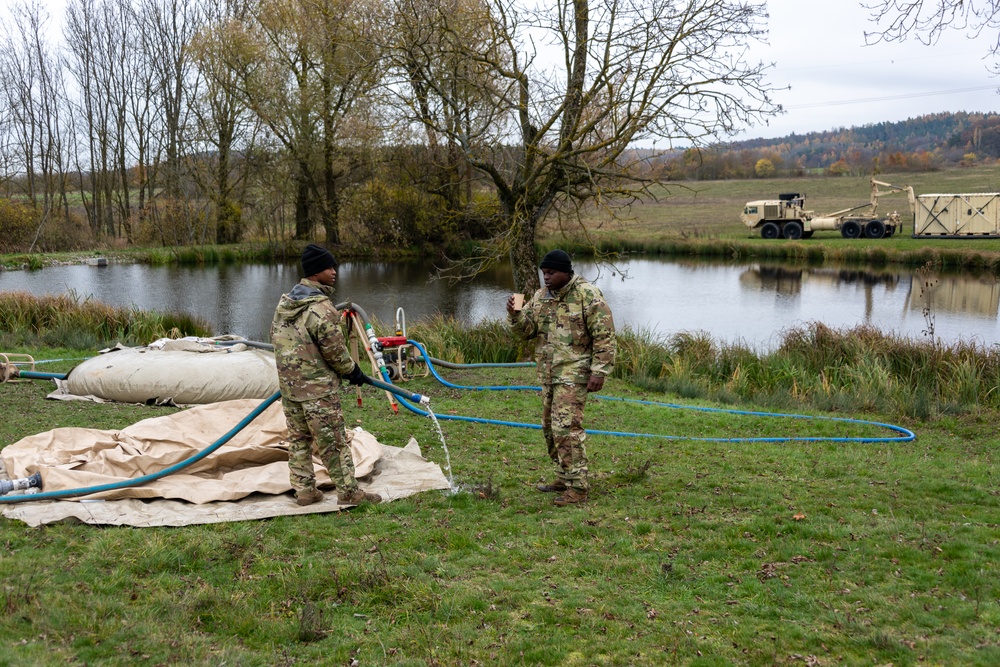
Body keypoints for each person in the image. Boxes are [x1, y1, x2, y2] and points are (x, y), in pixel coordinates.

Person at [271, 244, 382, 506]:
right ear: (315, 272)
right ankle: (349, 493)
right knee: (333, 441)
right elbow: (335, 350)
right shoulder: (320, 308)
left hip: (290, 389)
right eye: (329, 267)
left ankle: (305, 492)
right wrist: (353, 371)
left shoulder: (285, 304)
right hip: (318, 391)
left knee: (299, 440)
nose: (334, 272)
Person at [507, 249, 616, 506]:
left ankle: (578, 488)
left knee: (566, 428)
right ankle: (564, 476)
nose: (546, 277)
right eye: (544, 273)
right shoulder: (540, 296)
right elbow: (527, 332)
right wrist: (515, 315)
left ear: (567, 272)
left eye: (551, 273)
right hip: (548, 373)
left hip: (575, 372)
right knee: (549, 428)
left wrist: (599, 372)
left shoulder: (588, 295)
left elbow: (605, 335)